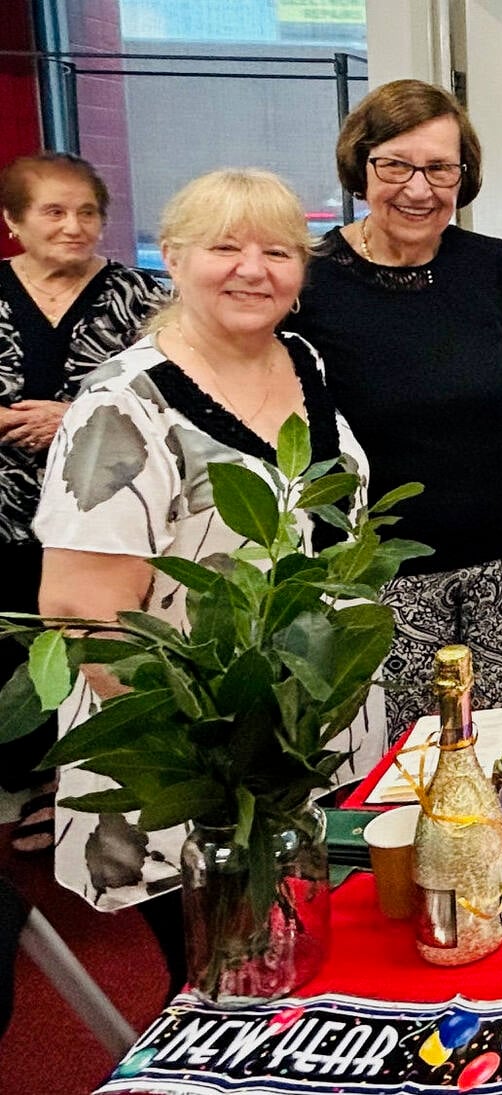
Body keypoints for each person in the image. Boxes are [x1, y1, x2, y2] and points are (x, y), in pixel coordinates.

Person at [32, 168, 380, 986]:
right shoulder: (122, 408)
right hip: (198, 776)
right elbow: (84, 616)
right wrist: (225, 767)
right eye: (225, 247)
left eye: (277, 251)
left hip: (301, 749)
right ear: (175, 257)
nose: (253, 269)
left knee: (313, 970)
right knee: (226, 984)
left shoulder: (299, 358)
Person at [288, 79, 502, 741]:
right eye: (396, 165)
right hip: (387, 577)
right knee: (405, 764)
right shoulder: (308, 280)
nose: (419, 188)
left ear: (463, 175)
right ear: (361, 165)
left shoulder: (499, 267)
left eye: (441, 168)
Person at [0, 152, 166, 853]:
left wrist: (72, 417)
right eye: (54, 211)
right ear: (13, 220)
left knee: (92, 645)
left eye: (87, 212)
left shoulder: (140, 295)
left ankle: (82, 787)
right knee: (16, 650)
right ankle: (31, 777)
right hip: (6, 512)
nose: (73, 226)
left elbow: (176, 389)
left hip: (107, 512)